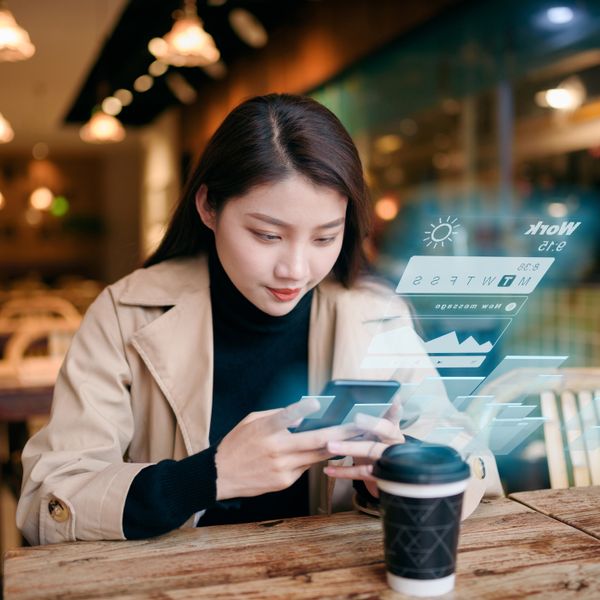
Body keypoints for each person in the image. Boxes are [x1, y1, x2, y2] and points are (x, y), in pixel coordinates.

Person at [17, 94, 502, 545]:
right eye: (268, 235)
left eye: (323, 238)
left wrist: (398, 471)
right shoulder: (125, 314)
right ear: (208, 206)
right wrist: (207, 477)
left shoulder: (375, 313)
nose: (296, 269)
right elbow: (48, 498)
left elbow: (465, 450)